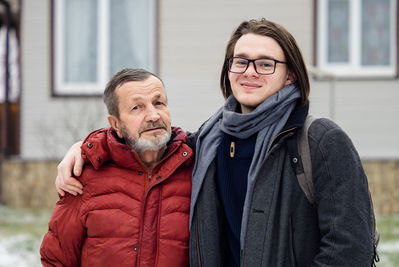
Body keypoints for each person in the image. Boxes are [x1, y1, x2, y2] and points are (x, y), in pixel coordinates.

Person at [55, 19, 376, 266]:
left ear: (290, 75)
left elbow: (350, 248)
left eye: (266, 64)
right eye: (241, 61)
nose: (250, 72)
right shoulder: (210, 140)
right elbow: (150, 137)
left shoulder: (319, 141)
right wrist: (86, 147)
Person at [41, 69, 194, 267]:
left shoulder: (196, 167)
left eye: (159, 103)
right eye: (137, 107)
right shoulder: (86, 175)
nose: (153, 115)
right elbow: (56, 259)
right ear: (116, 124)